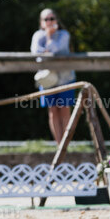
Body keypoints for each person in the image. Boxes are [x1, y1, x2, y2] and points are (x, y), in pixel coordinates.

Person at [31, 8, 77, 145]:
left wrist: (49, 38)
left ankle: (66, 145)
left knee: (64, 109)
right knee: (53, 111)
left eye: (52, 18)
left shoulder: (64, 35)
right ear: (41, 22)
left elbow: (56, 50)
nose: (49, 22)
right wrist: (47, 44)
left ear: (56, 20)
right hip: (47, 80)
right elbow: (35, 53)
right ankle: (59, 146)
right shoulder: (37, 36)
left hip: (65, 78)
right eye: (46, 19)